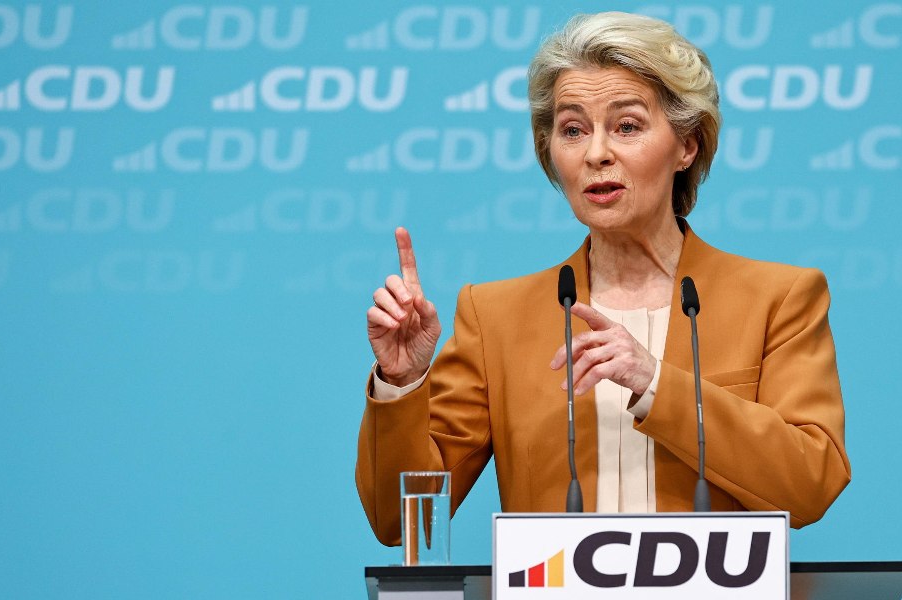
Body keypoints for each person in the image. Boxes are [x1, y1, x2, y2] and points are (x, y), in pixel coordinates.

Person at [356, 11, 850, 546]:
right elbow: (400, 521)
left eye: (627, 126)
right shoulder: (496, 317)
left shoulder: (777, 299)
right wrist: (403, 382)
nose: (595, 154)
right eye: (572, 130)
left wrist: (654, 382)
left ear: (687, 145)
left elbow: (811, 483)